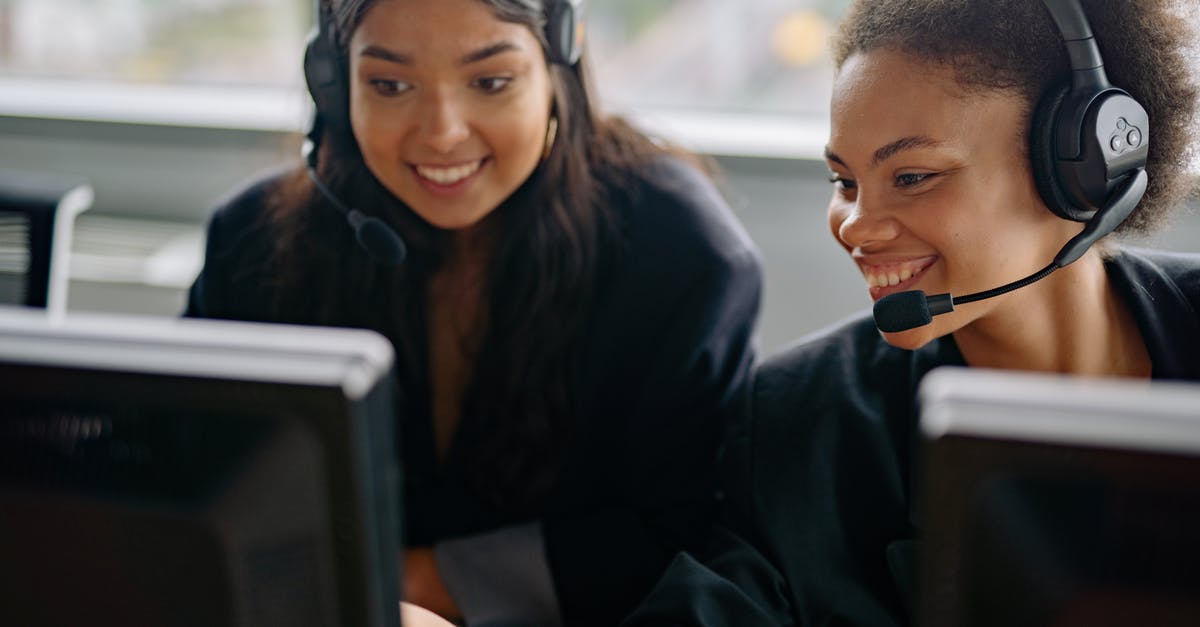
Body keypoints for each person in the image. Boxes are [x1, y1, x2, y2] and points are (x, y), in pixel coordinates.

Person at [185, 0, 762, 624]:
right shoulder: (254, 242)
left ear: (555, 66)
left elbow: (683, 535)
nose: (441, 133)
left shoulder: (681, 251)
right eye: (390, 85)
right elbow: (188, 475)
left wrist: (407, 585)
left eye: (489, 82)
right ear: (330, 82)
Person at [623, 0, 1200, 625]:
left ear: (1083, 170)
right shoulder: (804, 421)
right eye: (844, 183)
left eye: (913, 176)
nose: (856, 227)